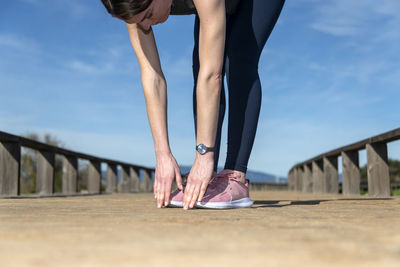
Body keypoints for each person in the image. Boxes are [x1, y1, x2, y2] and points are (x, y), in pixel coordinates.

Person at [101, 0, 285, 209]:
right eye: (138, 22)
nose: (146, 26)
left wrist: (203, 154)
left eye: (149, 15)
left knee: (239, 59)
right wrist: (163, 154)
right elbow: (152, 76)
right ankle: (209, 177)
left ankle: (236, 177)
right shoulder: (129, 5)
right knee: (201, 64)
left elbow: (212, 75)